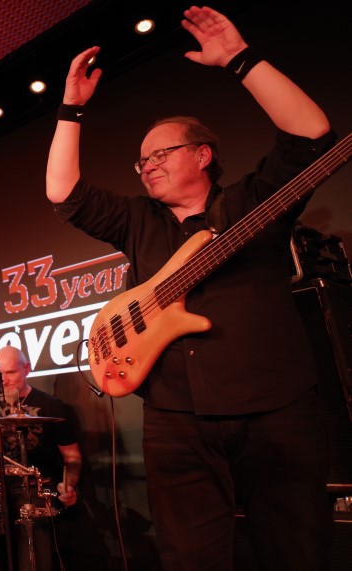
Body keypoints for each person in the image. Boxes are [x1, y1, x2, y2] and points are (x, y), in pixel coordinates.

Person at [45, 6, 335, 570]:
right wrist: (71, 108)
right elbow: (63, 194)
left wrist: (240, 59)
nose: (148, 166)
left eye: (161, 154)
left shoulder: (252, 200)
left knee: (296, 550)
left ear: (203, 155)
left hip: (274, 408)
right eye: (142, 161)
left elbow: (311, 137)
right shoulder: (137, 219)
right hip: (175, 418)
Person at [0, 345, 82, 570]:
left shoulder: (50, 405)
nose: (4, 380)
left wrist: (68, 484)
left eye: (11, 372)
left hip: (35, 488)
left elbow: (72, 457)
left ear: (27, 369)